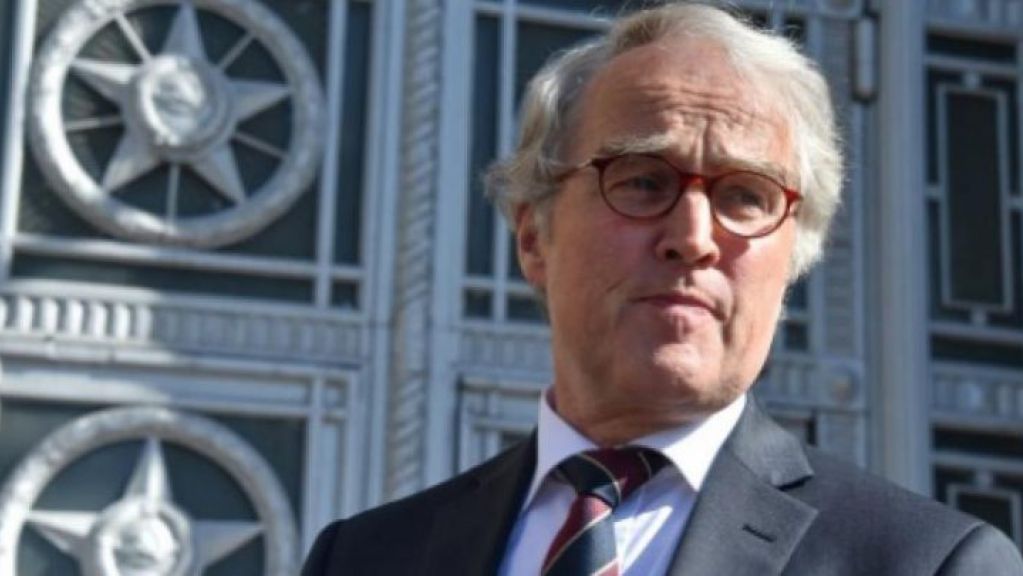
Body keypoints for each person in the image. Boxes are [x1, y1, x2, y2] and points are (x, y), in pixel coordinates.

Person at [302, 3, 1023, 574]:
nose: (694, 236)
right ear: (533, 238)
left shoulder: (925, 563)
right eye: (643, 181)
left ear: (791, 261)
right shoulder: (364, 556)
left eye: (745, 196)